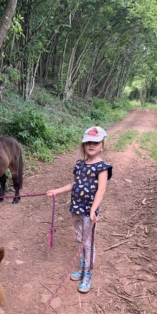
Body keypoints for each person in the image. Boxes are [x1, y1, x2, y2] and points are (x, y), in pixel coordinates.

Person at [46, 126, 112, 293]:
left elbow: (101, 190)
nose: (91, 145)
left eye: (95, 143)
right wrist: (56, 191)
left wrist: (93, 210)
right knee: (79, 238)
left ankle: (88, 273)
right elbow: (72, 185)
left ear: (102, 146)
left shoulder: (102, 167)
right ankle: (82, 268)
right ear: (83, 145)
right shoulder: (79, 164)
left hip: (89, 210)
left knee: (88, 242)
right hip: (76, 208)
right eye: (88, 142)